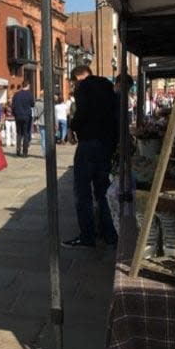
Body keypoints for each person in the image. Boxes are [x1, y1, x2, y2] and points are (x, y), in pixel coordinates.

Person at [62, 65, 119, 249]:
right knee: (103, 191)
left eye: (73, 82)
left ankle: (87, 236)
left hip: (88, 144)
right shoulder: (108, 87)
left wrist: (72, 127)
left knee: (82, 191)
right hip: (106, 144)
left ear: (78, 77)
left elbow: (82, 112)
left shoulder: (84, 87)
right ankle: (109, 234)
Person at [11, 82, 35, 157]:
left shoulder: (16, 94)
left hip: (18, 116)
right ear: (28, 85)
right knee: (26, 134)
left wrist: (15, 114)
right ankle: (25, 152)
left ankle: (18, 150)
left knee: (19, 133)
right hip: (26, 116)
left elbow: (13, 105)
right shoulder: (30, 94)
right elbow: (32, 104)